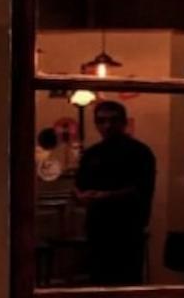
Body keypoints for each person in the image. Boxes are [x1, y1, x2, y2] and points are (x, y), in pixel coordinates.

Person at [76, 101, 156, 286]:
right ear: (95, 124)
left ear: (124, 122)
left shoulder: (140, 153)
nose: (107, 125)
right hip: (97, 229)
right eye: (101, 121)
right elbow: (80, 185)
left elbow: (143, 189)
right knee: (98, 283)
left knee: (126, 284)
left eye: (113, 120)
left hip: (127, 230)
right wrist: (81, 196)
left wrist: (107, 196)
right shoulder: (91, 154)